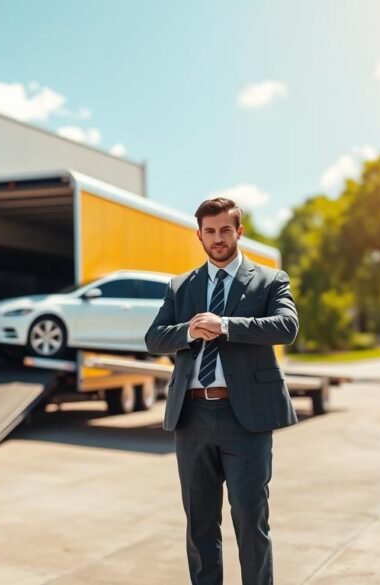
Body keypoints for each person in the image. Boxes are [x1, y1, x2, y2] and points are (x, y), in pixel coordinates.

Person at [144, 197, 299, 585]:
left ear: (239, 232)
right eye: (210, 232)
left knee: (250, 520)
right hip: (192, 418)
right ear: (199, 235)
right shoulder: (181, 287)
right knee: (199, 526)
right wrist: (188, 331)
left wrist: (226, 324)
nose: (218, 238)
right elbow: (153, 339)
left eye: (225, 230)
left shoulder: (269, 280)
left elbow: (286, 327)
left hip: (245, 420)